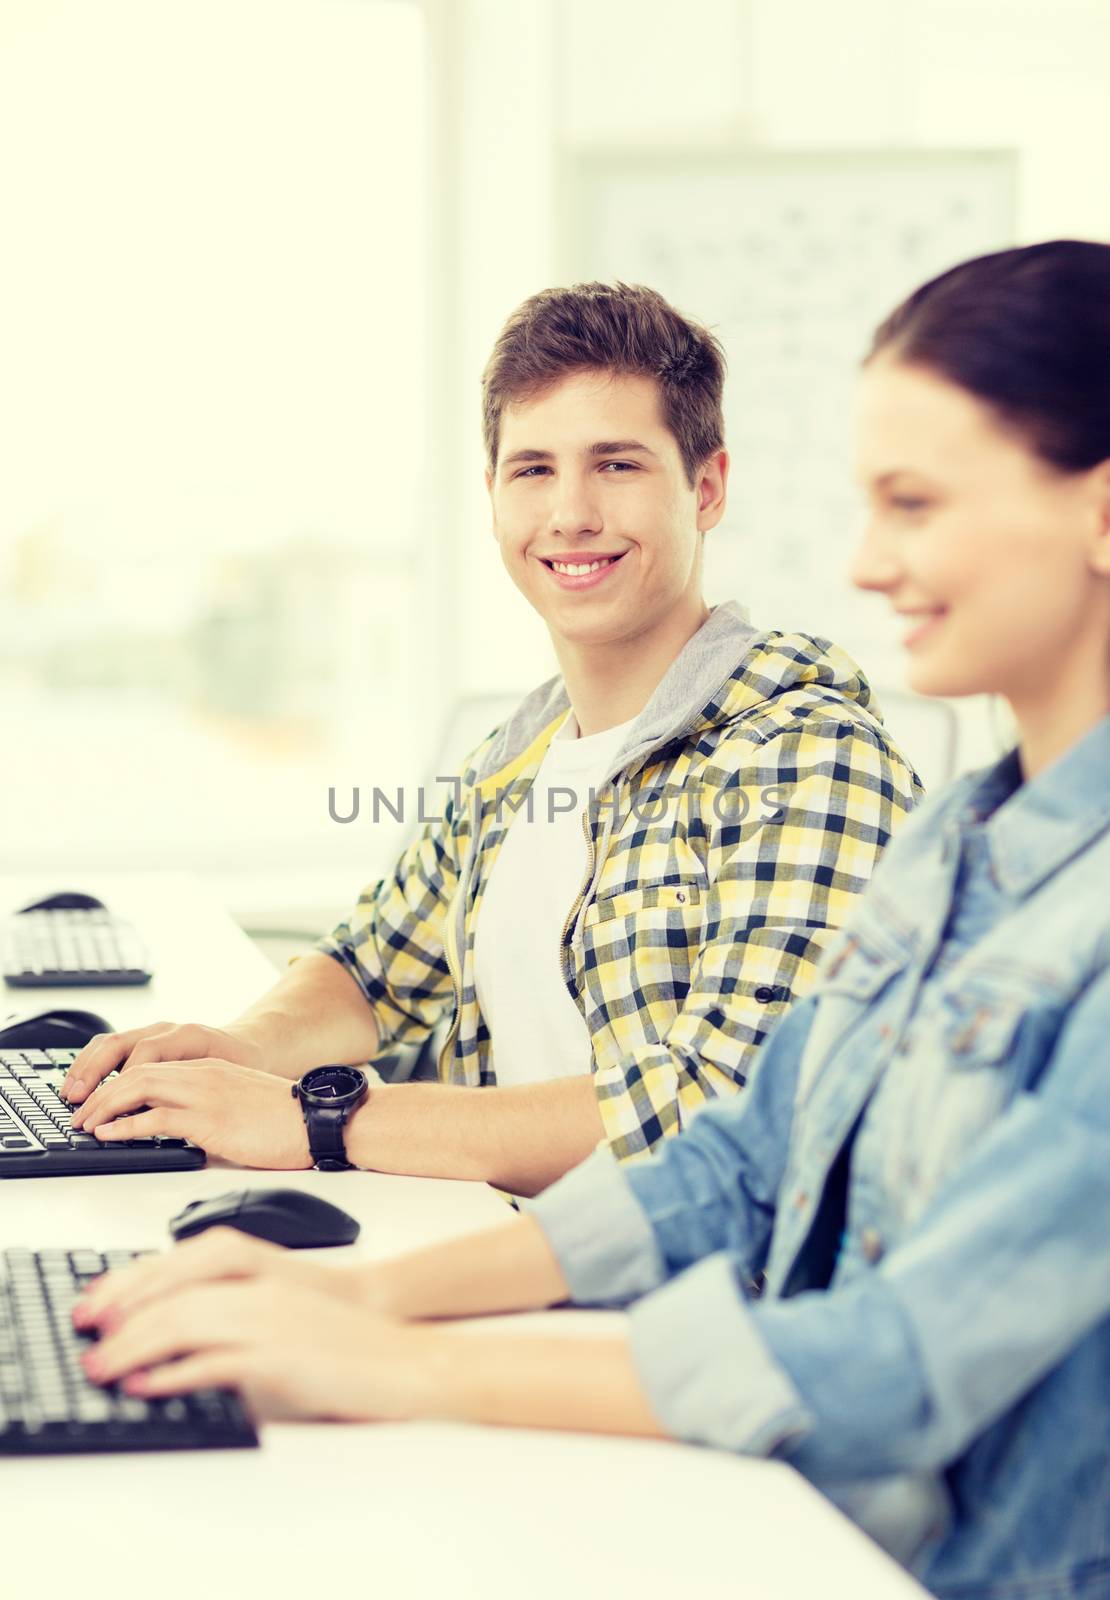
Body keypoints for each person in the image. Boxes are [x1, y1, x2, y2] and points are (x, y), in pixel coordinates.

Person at [77, 240, 1110, 1599]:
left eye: (912, 505)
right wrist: (364, 1293)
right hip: (767, 1481)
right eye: (532, 468)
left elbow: (898, 1352)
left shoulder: (821, 758)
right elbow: (733, 1162)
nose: (863, 564)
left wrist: (396, 1328)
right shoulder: (954, 848)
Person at [61, 282, 919, 1193]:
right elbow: (371, 967)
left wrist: (316, 1119)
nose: (571, 513)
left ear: (705, 488)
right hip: (506, 1255)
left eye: (618, 465)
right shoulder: (523, 751)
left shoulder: (809, 756)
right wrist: (239, 1048)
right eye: (534, 469)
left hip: (682, 1311)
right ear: (495, 494)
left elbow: (713, 1108)